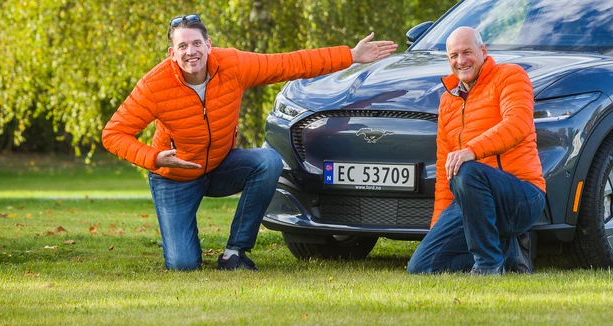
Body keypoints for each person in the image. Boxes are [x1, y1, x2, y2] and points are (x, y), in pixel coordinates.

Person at [102, 14, 396, 271]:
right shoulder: (155, 85)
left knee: (267, 161)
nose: (190, 52)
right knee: (183, 265)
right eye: (182, 46)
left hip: (219, 166)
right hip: (174, 176)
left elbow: (289, 64)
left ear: (208, 45)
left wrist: (350, 56)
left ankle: (234, 253)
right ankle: (185, 243)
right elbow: (113, 134)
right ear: (172, 52)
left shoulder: (232, 65)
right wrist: (154, 158)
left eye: (196, 44)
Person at [407, 26, 545, 275]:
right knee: (421, 267)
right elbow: (443, 172)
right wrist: (439, 232)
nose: (461, 61)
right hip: (471, 199)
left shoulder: (511, 76)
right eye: (454, 56)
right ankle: (507, 255)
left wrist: (471, 150)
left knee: (467, 170)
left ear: (483, 51)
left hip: (521, 195)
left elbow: (518, 124)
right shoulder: (447, 101)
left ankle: (488, 265)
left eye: (467, 52)